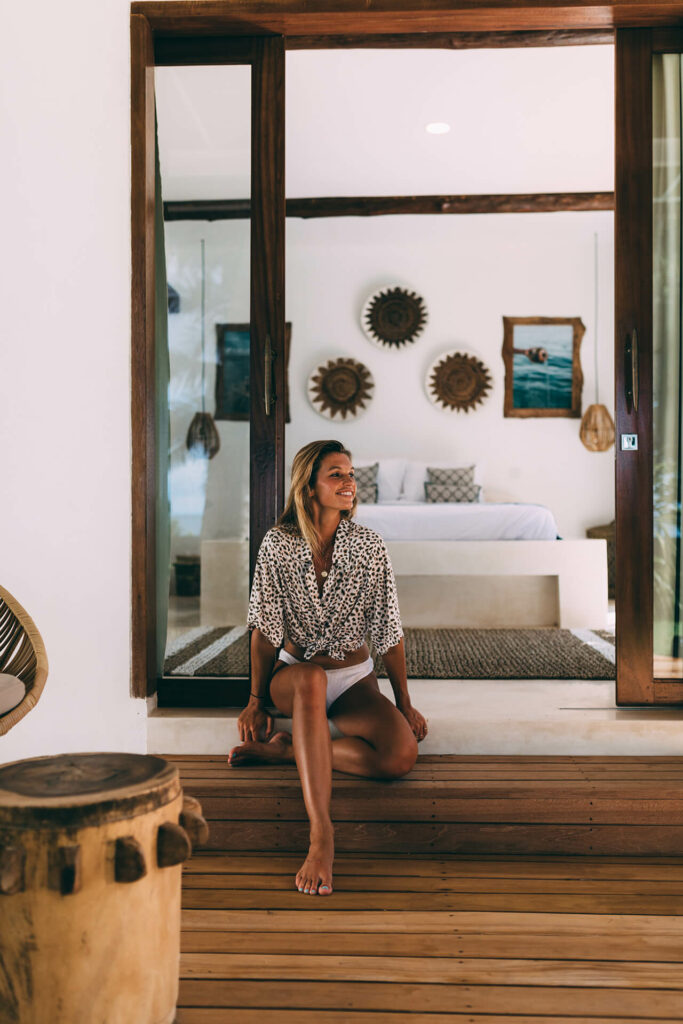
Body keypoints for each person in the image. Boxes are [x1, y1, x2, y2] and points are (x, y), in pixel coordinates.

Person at [228, 439, 428, 897]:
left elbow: (388, 630)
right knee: (312, 679)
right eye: (336, 474)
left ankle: (289, 751)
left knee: (400, 756)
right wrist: (255, 700)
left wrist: (405, 704)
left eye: (351, 474)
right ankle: (321, 835)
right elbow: (265, 630)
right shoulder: (277, 545)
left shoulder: (369, 547)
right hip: (296, 675)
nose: (349, 482)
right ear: (308, 487)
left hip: (354, 679)